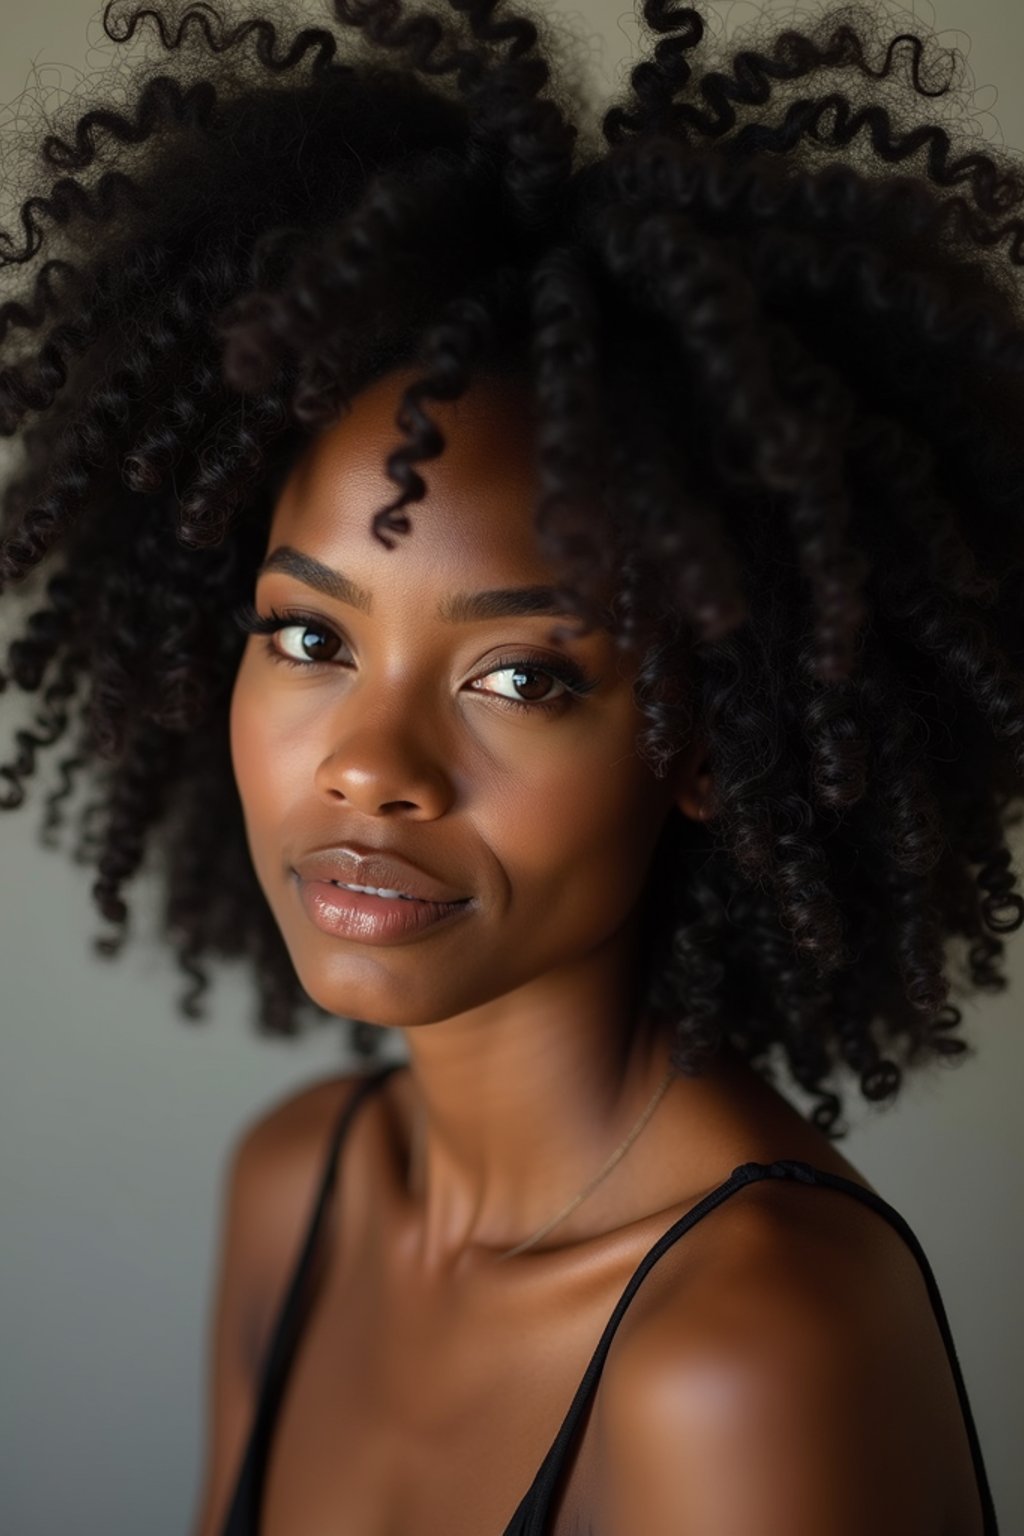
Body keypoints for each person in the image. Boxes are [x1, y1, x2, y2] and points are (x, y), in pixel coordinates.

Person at [0, 1, 1019, 1532]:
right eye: (308, 636)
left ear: (706, 741)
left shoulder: (749, 1351)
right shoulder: (299, 1191)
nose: (370, 767)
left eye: (520, 675)